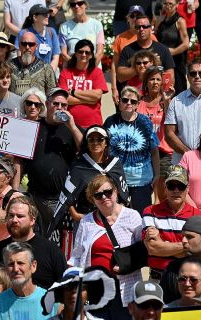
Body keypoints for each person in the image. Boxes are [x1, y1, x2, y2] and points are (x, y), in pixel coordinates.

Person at [48, 125, 129, 260]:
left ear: (106, 142)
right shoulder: (79, 165)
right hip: (85, 218)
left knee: (108, 254)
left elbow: (123, 193)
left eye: (100, 139)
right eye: (91, 140)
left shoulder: (115, 164)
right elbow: (68, 193)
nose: (95, 143)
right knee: (83, 257)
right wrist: (75, 214)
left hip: (111, 218)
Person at [70, 174, 143, 312]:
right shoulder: (86, 222)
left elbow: (142, 252)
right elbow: (76, 257)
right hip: (95, 289)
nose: (104, 197)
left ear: (116, 191)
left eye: (108, 192)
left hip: (125, 289)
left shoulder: (132, 216)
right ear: (93, 200)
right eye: (98, 195)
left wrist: (126, 265)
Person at [22, 87, 83, 231]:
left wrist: (73, 126)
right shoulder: (35, 126)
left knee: (57, 242)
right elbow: (17, 160)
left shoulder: (71, 128)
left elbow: (85, 150)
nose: (59, 108)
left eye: (64, 105)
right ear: (47, 104)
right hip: (35, 196)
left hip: (60, 199)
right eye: (56, 104)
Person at [0, 196, 67, 290]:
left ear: (32, 220)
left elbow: (65, 289)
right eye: (11, 216)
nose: (14, 220)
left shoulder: (51, 251)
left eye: (20, 216)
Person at [142, 165, 201, 280]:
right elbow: (152, 248)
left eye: (180, 186)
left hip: (186, 282)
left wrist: (162, 244)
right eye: (171, 186)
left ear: (187, 188)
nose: (176, 190)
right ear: (165, 188)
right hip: (157, 280)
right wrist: (187, 247)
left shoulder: (198, 216)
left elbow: (200, 251)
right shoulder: (150, 211)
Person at [104, 86, 160, 214]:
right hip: (116, 179)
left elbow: (154, 150)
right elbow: (103, 149)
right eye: (125, 100)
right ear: (119, 102)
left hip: (141, 180)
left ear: (137, 105)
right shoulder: (110, 121)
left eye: (133, 101)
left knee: (141, 217)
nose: (129, 103)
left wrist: (157, 174)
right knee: (116, 217)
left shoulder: (145, 122)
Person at [0, 242, 59, 319]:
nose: (16, 269)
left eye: (20, 263)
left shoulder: (53, 302)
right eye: (11, 264)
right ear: (6, 269)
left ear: (33, 266)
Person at [138, 65, 175, 202]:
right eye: (151, 79)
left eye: (158, 79)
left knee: (162, 194)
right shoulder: (139, 103)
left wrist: (166, 100)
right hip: (144, 152)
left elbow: (172, 120)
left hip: (163, 152)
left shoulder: (167, 101)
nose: (155, 82)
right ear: (146, 83)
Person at [111, 5, 158, 105]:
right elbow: (114, 65)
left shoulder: (152, 37)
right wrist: (114, 88)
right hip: (125, 85)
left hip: (147, 86)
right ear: (127, 19)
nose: (135, 18)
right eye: (132, 16)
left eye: (138, 16)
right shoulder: (120, 38)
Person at [58, 39, 108, 128]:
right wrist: (88, 100)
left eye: (87, 52)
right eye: (80, 52)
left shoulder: (97, 72)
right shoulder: (65, 73)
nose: (84, 55)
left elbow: (97, 95)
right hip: (68, 124)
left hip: (93, 124)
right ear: (75, 53)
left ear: (91, 55)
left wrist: (73, 92)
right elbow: (64, 99)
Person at [117, 15, 175, 84]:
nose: (141, 29)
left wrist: (155, 68)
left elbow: (170, 76)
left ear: (150, 28)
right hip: (134, 92)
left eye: (145, 27)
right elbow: (120, 77)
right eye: (138, 27)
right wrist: (139, 68)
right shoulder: (127, 50)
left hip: (156, 92)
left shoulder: (163, 49)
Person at [156, 0, 189, 95]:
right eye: (165, 3)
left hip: (177, 62)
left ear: (177, 5)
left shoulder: (180, 21)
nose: (168, 6)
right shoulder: (161, 20)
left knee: (179, 92)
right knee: (162, 91)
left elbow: (186, 44)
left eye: (171, 4)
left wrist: (172, 52)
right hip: (162, 62)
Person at [8, 31, 56, 97]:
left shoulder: (46, 68)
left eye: (31, 44)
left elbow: (52, 93)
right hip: (13, 106)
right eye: (24, 44)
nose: (27, 47)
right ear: (19, 45)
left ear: (36, 46)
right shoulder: (8, 66)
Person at [15, 4, 60, 71]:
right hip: (29, 74)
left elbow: (56, 57)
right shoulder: (23, 33)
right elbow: (20, 57)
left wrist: (48, 74)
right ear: (35, 17)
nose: (47, 17)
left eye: (48, 14)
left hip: (48, 75)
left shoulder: (52, 32)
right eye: (44, 15)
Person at [59, 0, 104, 65]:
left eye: (80, 3)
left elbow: (100, 52)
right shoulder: (64, 27)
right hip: (72, 69)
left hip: (92, 69)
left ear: (86, 5)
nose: (76, 6)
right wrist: (77, 67)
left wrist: (89, 67)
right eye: (73, 4)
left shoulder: (97, 25)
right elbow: (63, 53)